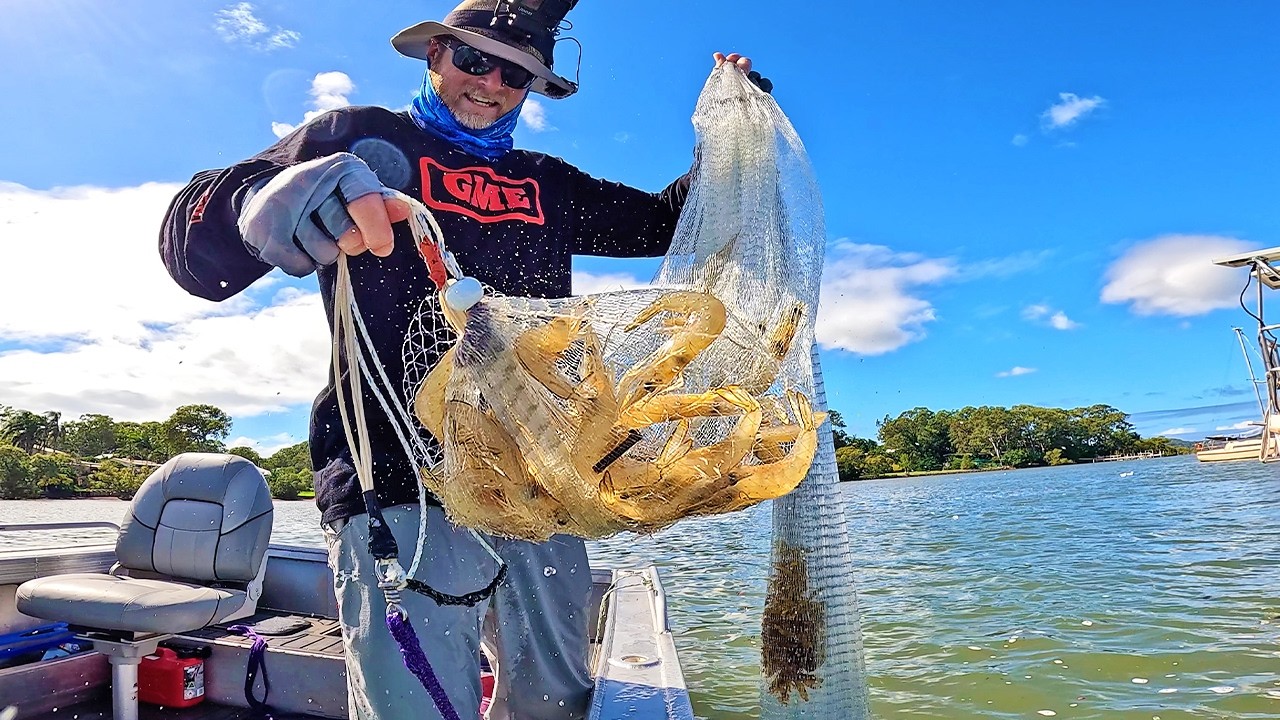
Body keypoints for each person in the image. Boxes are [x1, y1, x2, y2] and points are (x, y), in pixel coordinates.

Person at [159, 2, 766, 718]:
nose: (492, 83)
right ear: (435, 55)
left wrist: (732, 130)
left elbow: (669, 220)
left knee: (554, 705)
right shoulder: (357, 139)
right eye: (474, 60)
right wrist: (255, 199)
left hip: (544, 486)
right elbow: (194, 250)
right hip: (396, 481)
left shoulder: (548, 182)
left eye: (516, 74)